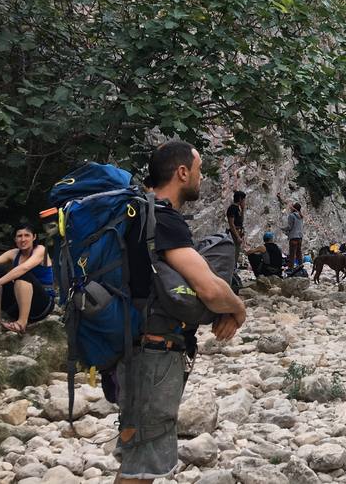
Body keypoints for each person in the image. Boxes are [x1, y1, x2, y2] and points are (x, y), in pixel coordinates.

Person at [114, 140, 246, 484]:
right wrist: (239, 308)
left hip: (136, 348)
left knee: (138, 457)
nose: (201, 179)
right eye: (199, 170)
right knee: (140, 469)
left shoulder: (139, 214)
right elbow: (209, 288)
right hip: (152, 356)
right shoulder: (163, 219)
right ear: (182, 172)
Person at [0, 224, 54, 333]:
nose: (23, 239)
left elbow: (24, 268)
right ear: (15, 239)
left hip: (42, 305)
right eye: (19, 236)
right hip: (18, 305)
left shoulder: (41, 250)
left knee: (22, 274)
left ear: (34, 237)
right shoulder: (13, 253)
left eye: (27, 235)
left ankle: (21, 323)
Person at [281, 202, 304, 275]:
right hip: (300, 237)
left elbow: (290, 227)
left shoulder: (291, 216)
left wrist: (283, 229)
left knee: (292, 254)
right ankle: (300, 266)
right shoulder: (301, 216)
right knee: (299, 253)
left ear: (294, 208)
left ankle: (290, 268)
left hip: (293, 237)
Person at [226, 190, 246, 267]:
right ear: (240, 199)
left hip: (239, 232)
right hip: (234, 233)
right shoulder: (232, 208)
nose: (244, 201)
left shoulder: (238, 208)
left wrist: (243, 209)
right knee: (234, 251)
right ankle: (231, 268)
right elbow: (231, 223)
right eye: (243, 199)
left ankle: (233, 267)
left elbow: (241, 221)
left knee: (237, 251)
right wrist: (237, 236)